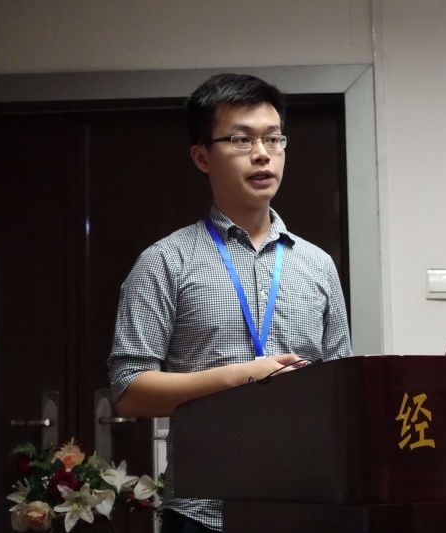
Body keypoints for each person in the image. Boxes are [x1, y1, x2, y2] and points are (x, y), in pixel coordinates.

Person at [107, 73, 353, 532]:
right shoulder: (166, 261)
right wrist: (243, 377)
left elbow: (342, 384)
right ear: (202, 156)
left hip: (306, 505)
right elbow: (128, 390)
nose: (262, 153)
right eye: (241, 139)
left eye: (274, 139)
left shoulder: (318, 265)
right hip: (203, 512)